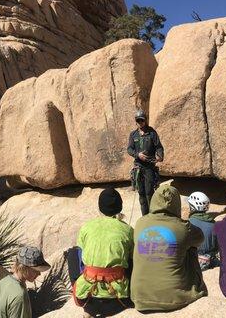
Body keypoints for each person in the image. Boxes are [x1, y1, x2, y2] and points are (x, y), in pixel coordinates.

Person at [131, 180, 207, 312]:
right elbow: (200, 239)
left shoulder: (140, 223)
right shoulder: (184, 227)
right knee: (190, 248)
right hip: (175, 298)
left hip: (139, 298)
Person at [74, 188, 134, 317]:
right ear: (120, 207)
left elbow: (81, 261)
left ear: (100, 207)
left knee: (73, 254)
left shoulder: (86, 227)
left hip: (88, 299)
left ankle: (81, 286)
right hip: (118, 300)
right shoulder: (128, 230)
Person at [0, 246, 50, 318]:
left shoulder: (3, 282)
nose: (39, 274)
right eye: (36, 270)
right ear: (24, 268)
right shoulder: (20, 295)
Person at [127, 109, 164, 215]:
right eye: (138, 121)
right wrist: (138, 155)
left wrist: (160, 156)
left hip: (149, 167)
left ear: (145, 120)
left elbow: (159, 147)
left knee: (149, 193)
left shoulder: (152, 133)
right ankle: (145, 217)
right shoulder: (133, 135)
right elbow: (129, 149)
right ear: (136, 121)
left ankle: (152, 216)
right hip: (138, 167)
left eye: (142, 120)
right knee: (141, 194)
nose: (140, 123)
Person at [187, 191, 218, 271]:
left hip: (192, 264)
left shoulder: (188, 224)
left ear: (192, 207)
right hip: (211, 263)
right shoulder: (214, 225)